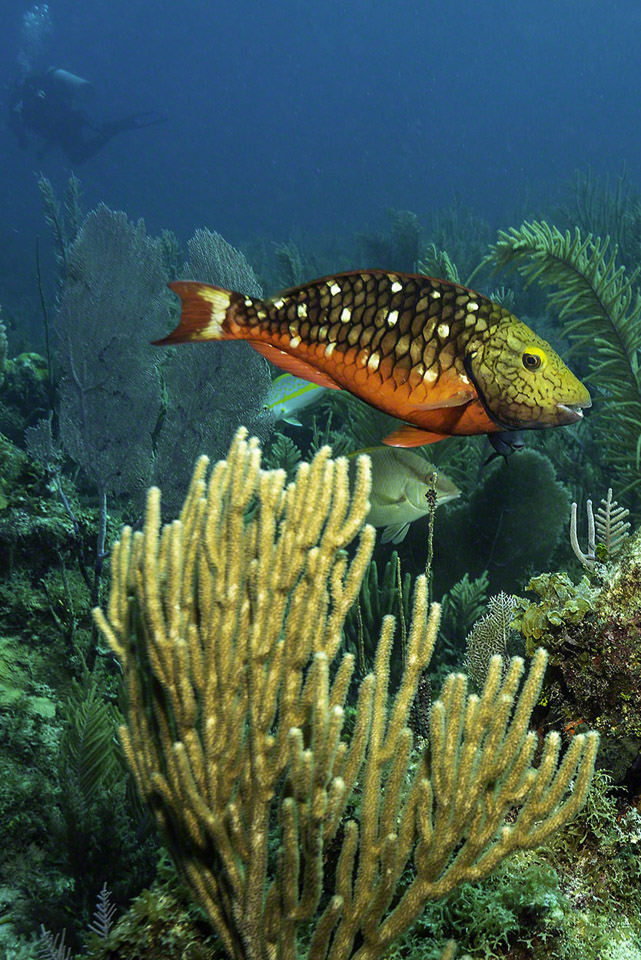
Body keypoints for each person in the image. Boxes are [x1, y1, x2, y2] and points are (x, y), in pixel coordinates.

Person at [8, 66, 165, 163]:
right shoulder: (32, 101)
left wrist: (22, 138)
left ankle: (112, 129)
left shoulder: (19, 103)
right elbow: (51, 128)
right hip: (69, 123)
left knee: (86, 145)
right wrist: (44, 150)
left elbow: (29, 122)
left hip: (71, 120)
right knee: (78, 157)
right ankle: (113, 129)